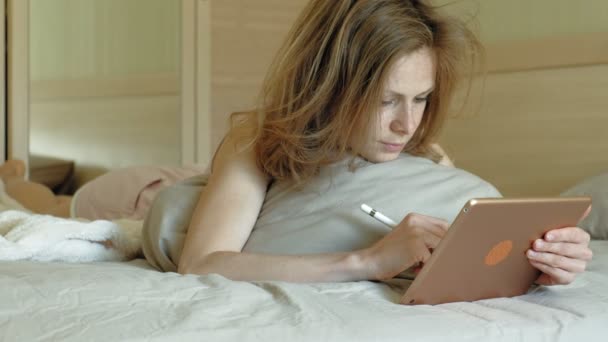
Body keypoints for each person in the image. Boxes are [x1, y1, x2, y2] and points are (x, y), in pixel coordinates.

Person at [141, 0, 592, 287]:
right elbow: (201, 265)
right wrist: (366, 261)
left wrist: (541, 265)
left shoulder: (424, 152)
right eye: (386, 101)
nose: (407, 125)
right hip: (179, 194)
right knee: (140, 190)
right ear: (330, 88)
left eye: (421, 99)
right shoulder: (256, 139)